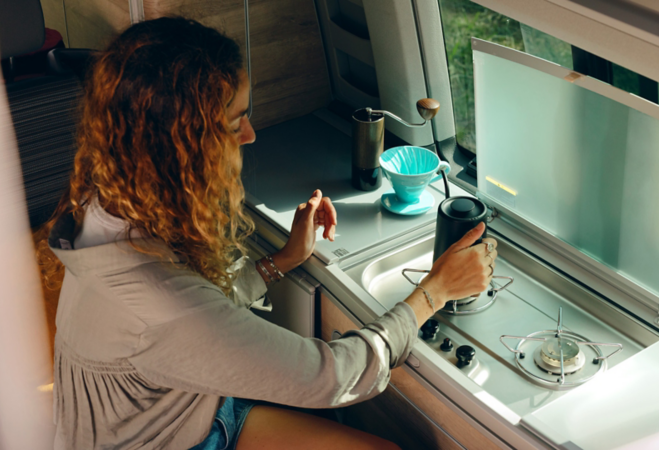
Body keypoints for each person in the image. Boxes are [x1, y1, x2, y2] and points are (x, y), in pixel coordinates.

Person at [36, 17, 498, 450]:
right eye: (236, 120)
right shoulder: (157, 303)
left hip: (181, 402)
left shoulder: (110, 207)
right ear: (183, 143)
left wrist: (284, 259)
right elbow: (332, 376)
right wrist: (434, 292)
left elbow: (196, 318)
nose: (251, 135)